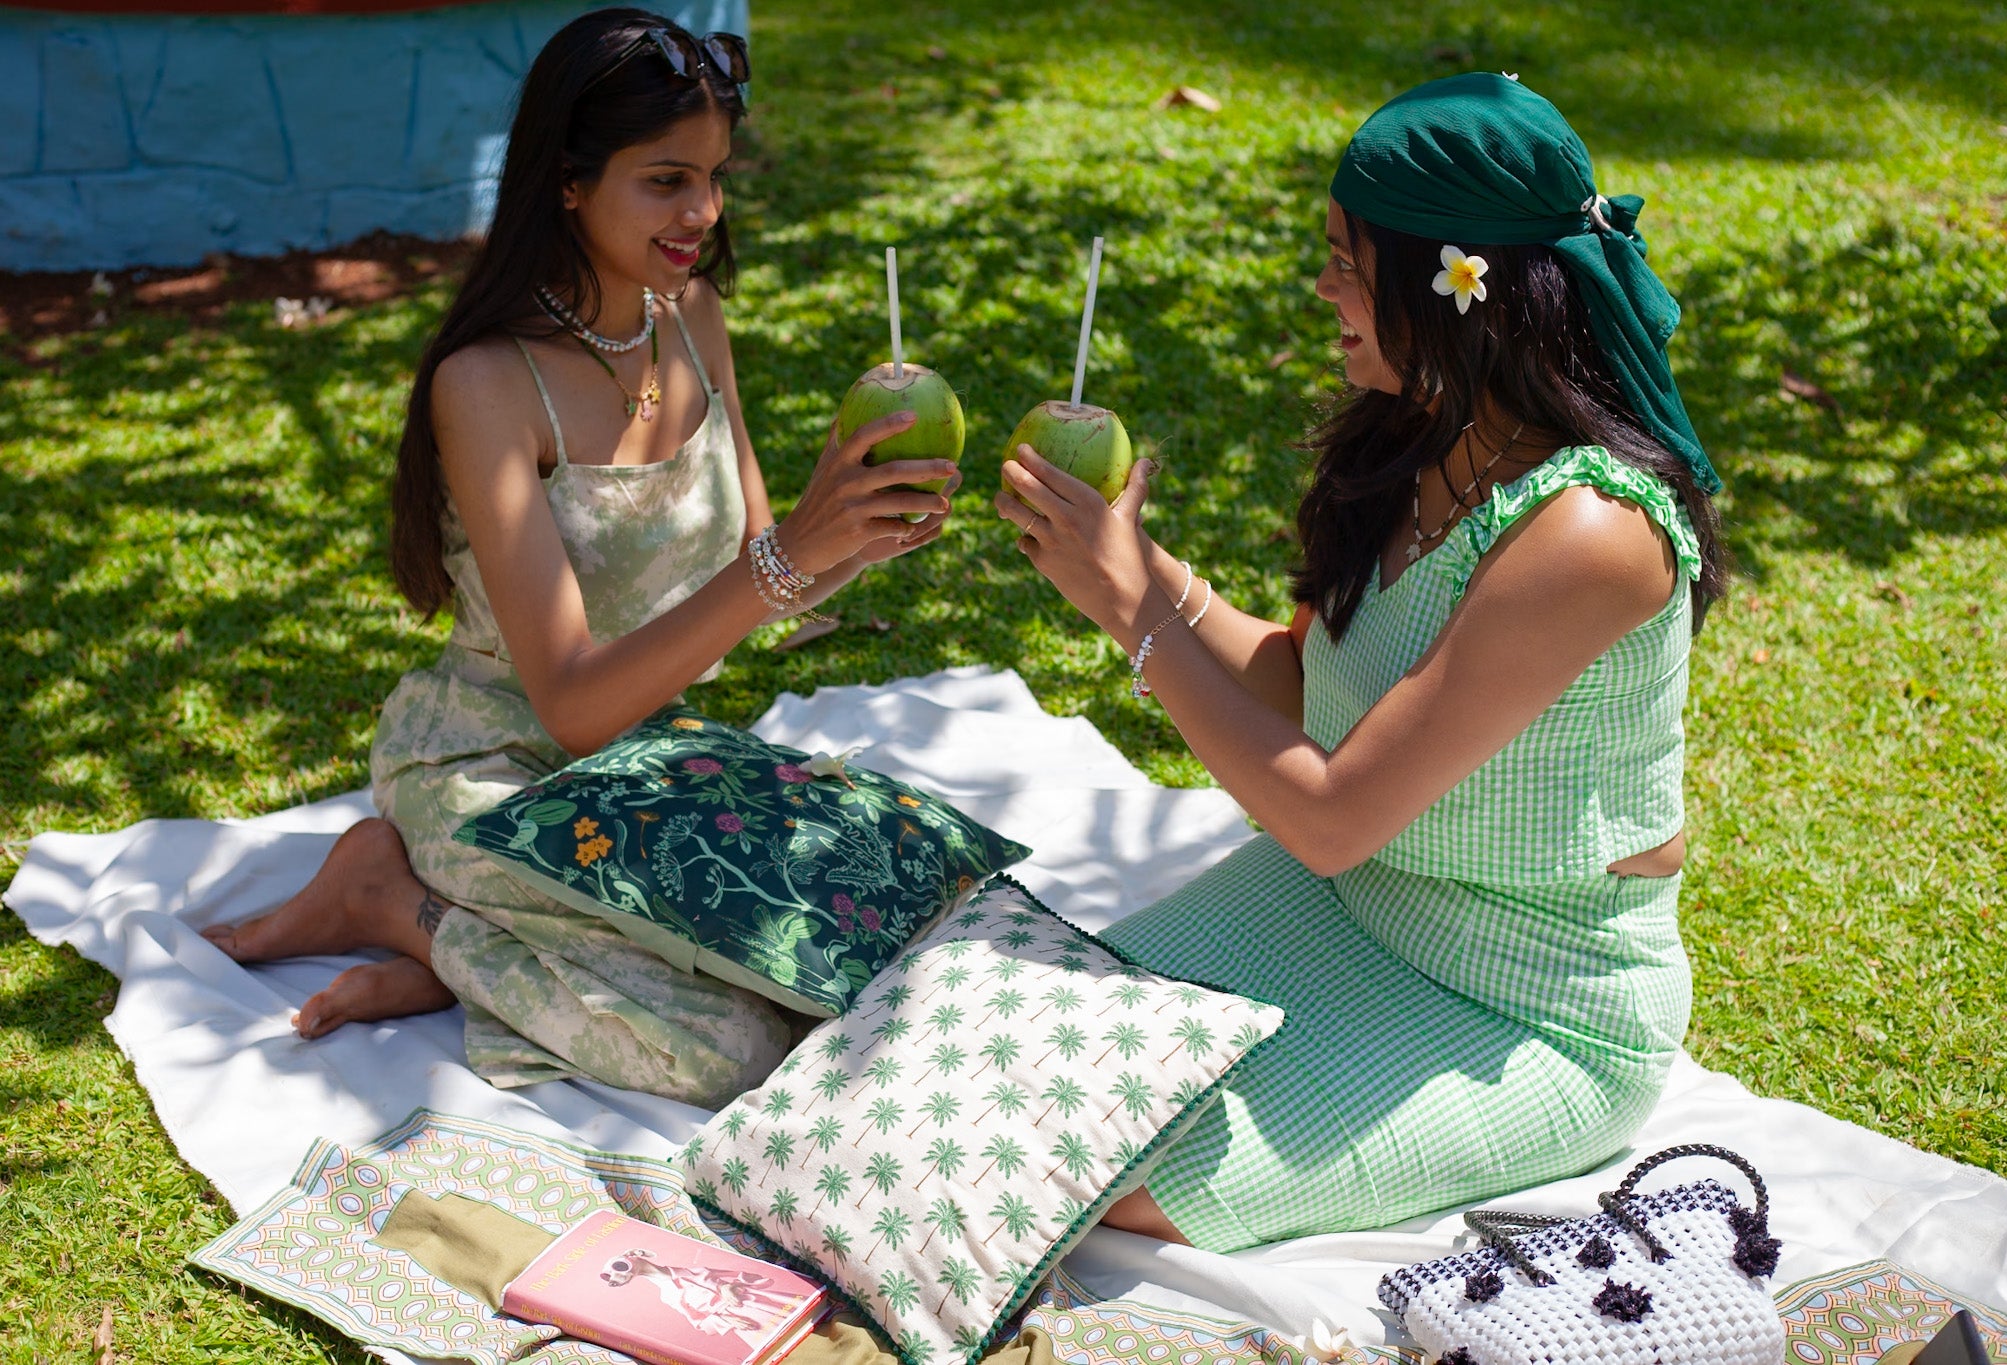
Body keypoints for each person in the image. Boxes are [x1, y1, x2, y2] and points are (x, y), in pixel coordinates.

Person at [1002, 73, 1728, 1250]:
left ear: (1454, 282)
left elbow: (1333, 815)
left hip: (1520, 1009)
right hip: (1335, 903)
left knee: (1094, 1176)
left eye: (1348, 260)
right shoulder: (1409, 430)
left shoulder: (1591, 531)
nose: (1323, 287)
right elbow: (1300, 690)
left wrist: (1134, 610)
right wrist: (1131, 571)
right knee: (1018, 1059)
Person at [203, 9, 957, 1106]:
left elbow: (755, 574)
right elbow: (567, 704)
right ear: (567, 180)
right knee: (730, 1049)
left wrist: (855, 528)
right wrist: (790, 552)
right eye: (665, 180)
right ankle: (396, 905)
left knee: (885, 938)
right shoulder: (488, 383)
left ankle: (465, 947)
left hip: (650, 758)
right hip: (491, 766)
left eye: (712, 176)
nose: (703, 211)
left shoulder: (691, 316)